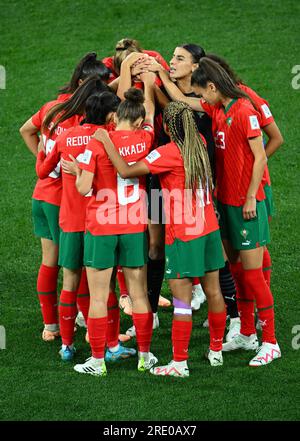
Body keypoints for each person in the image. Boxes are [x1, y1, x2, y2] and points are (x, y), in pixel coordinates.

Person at [94, 101, 227, 378]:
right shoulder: (199, 141)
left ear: (167, 127)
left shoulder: (167, 153)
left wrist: (106, 140)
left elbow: (126, 171)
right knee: (214, 291)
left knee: (181, 301)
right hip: (209, 228)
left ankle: (179, 363)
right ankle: (216, 351)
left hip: (183, 234)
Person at [191, 58, 281, 366]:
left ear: (213, 87)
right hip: (225, 201)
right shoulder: (219, 109)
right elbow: (186, 102)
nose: (201, 99)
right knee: (238, 271)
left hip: (245, 204)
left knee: (254, 275)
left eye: (203, 93)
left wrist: (251, 198)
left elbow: (259, 157)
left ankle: (270, 341)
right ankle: (245, 332)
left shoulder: (243, 111)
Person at [69, 80, 158, 376]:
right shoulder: (146, 138)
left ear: (114, 116)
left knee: (99, 296)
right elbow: (150, 110)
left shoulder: (97, 142)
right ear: (138, 119)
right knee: (139, 294)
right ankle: (145, 356)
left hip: (101, 226)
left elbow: (82, 189)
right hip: (134, 226)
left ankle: (98, 360)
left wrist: (79, 170)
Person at [36, 92, 125, 362]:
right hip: (100, 222)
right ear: (111, 116)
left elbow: (42, 172)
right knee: (107, 286)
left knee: (71, 282)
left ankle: (66, 345)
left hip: (70, 221)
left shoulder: (66, 136)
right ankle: (112, 345)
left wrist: (42, 151)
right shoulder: (110, 138)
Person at [19, 74, 109, 342]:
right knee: (74, 264)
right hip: (63, 200)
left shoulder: (52, 108)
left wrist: (44, 159)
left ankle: (51, 325)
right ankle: (82, 316)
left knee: (49, 262)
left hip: (41, 194)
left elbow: (26, 130)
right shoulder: (79, 125)